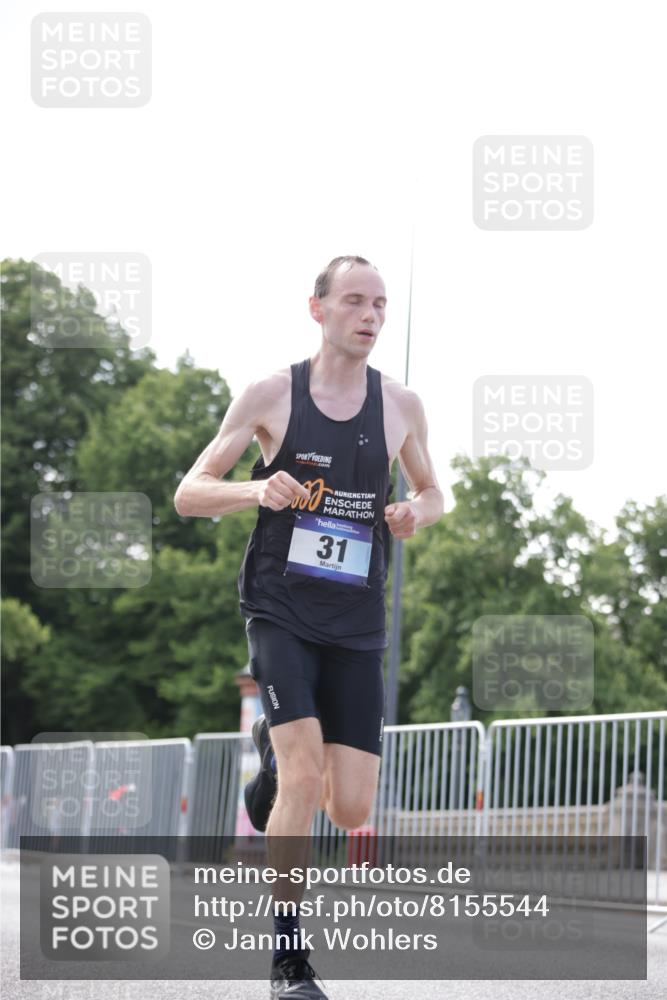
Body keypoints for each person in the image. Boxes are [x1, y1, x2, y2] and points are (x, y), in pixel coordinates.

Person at [174, 255, 444, 999]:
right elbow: (188, 493)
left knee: (349, 805)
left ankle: (266, 761)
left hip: (357, 619)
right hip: (281, 608)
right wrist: (257, 488)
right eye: (354, 300)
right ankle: (289, 960)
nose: (370, 315)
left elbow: (432, 489)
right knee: (303, 775)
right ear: (316, 307)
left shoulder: (399, 406)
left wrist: (413, 513)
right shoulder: (270, 394)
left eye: (381, 304)